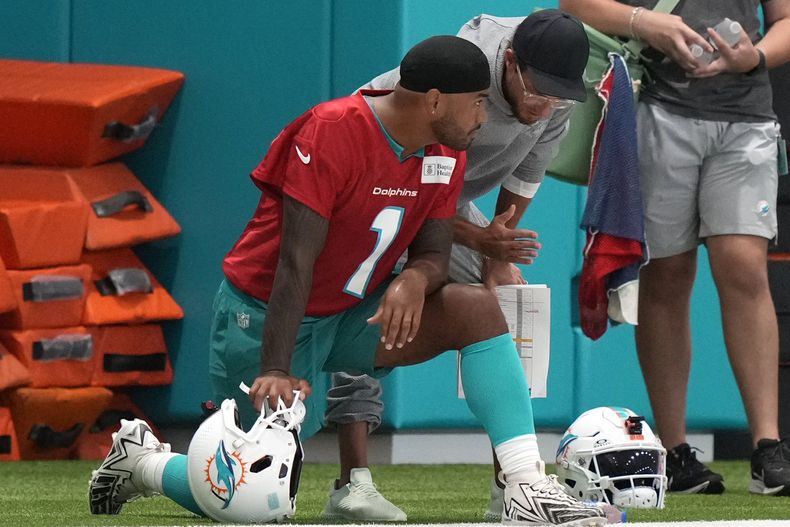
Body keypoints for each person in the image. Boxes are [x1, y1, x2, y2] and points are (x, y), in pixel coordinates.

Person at [88, 35, 607, 526]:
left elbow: (432, 252)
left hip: (352, 312)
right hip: (268, 315)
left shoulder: (445, 155)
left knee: (475, 308)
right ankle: (144, 463)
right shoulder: (332, 128)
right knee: (251, 498)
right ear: (433, 100)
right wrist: (275, 366)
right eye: (475, 101)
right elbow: (295, 261)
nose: (483, 115)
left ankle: (523, 485)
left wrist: (414, 281)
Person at [322, 10, 591, 522]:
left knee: (501, 309)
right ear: (508, 63)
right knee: (359, 308)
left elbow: (529, 169)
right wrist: (476, 242)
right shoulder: (458, 76)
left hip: (445, 197)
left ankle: (515, 489)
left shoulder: (555, 92)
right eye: (537, 92)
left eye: (558, 97)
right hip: (382, 188)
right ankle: (350, 483)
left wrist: (494, 254)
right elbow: (411, 192)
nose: (544, 107)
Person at [560, 0, 790, 496]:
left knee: (744, 268)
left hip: (747, 116)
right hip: (654, 107)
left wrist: (755, 56)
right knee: (666, 274)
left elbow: (787, 20)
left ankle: (768, 447)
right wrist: (647, 23)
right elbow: (573, 5)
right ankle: (676, 450)